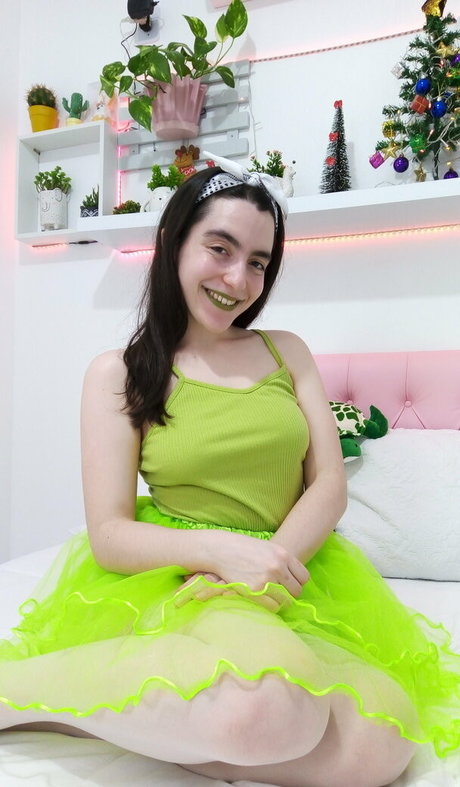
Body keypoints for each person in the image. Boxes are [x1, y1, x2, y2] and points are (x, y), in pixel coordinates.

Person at [0, 156, 459, 787]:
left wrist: (267, 568)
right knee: (266, 706)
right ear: (174, 242)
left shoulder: (286, 351)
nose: (239, 279)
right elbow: (109, 533)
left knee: (383, 743)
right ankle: (17, 694)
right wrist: (223, 555)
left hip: (291, 568)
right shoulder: (121, 372)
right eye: (220, 249)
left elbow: (328, 484)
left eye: (259, 262)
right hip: (186, 577)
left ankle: (124, 715)